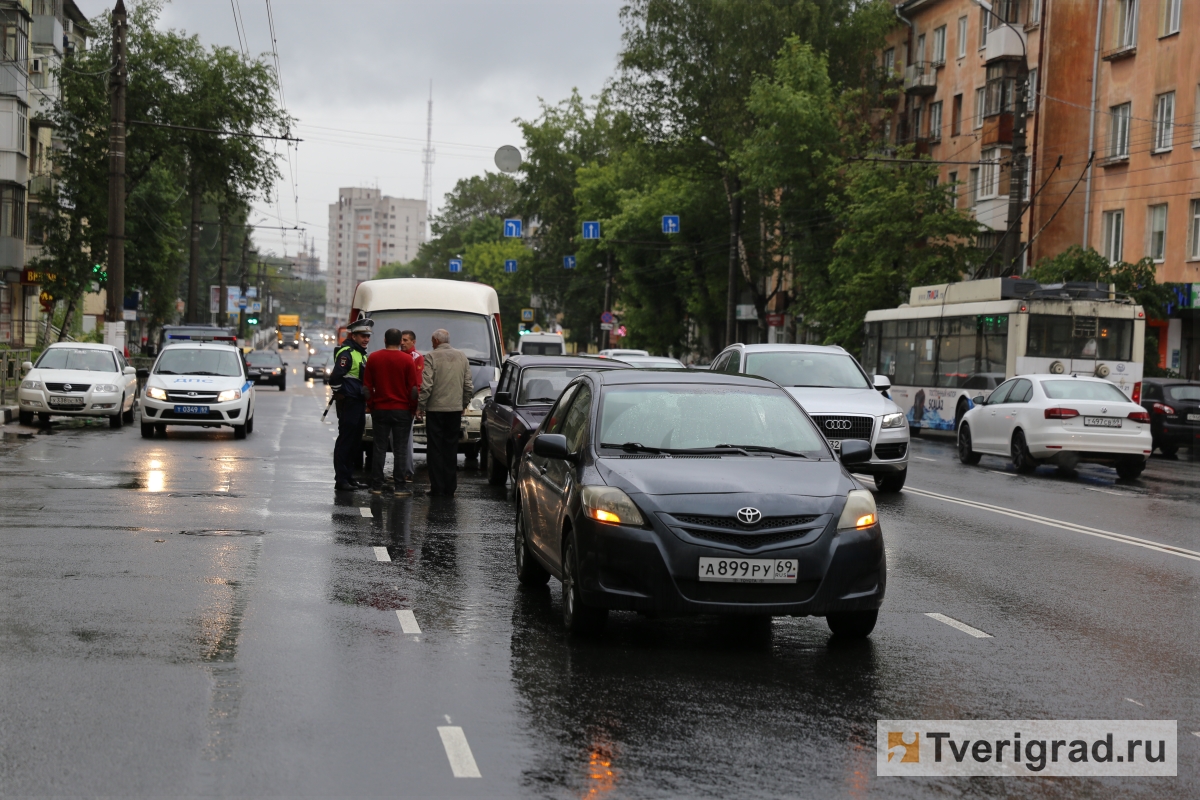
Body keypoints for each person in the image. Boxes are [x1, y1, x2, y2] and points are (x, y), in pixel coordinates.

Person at [417, 328, 474, 496]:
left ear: (435, 341)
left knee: (435, 449)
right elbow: (468, 386)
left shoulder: (431, 356)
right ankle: (450, 487)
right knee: (451, 448)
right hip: (455, 409)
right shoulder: (462, 356)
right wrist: (463, 403)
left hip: (435, 410)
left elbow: (426, 385)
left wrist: (421, 406)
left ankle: (437, 487)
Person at [363, 328, 419, 495]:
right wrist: (413, 408)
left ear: (385, 340)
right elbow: (414, 389)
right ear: (400, 341)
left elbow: (367, 387)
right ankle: (400, 486)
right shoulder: (408, 360)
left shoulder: (373, 358)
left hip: (380, 409)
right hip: (402, 410)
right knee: (401, 448)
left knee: (379, 447)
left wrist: (371, 405)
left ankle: (377, 486)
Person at [329, 317, 373, 491]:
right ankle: (341, 479)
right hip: (350, 402)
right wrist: (342, 394)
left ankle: (349, 477)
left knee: (355, 442)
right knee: (345, 441)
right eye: (362, 336)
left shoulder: (360, 353)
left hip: (358, 402)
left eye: (368, 336)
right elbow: (334, 379)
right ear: (353, 336)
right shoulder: (346, 353)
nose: (366, 339)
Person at [398, 329, 425, 483]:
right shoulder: (400, 356)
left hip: (408, 404)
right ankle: (401, 471)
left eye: (406, 340)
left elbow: (418, 383)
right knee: (397, 441)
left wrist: (417, 405)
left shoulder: (417, 357)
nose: (402, 342)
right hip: (398, 403)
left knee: (406, 440)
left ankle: (407, 472)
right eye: (401, 339)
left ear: (413, 342)